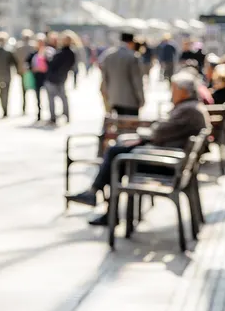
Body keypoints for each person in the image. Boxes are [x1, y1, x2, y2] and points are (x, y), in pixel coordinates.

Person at [66, 71, 211, 225]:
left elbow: (160, 132)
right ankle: (101, 201)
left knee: (117, 155)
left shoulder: (188, 110)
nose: (171, 92)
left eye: (174, 89)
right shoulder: (189, 107)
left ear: (183, 91)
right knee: (119, 151)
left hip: (167, 164)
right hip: (170, 158)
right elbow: (163, 131)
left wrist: (145, 137)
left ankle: (100, 199)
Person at [100, 33, 144, 116]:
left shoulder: (108, 55)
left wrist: (106, 96)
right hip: (130, 100)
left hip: (113, 98)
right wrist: (141, 99)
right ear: (131, 42)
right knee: (129, 127)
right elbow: (137, 81)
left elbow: (105, 79)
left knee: (117, 125)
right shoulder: (133, 56)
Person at [46, 31, 78, 124]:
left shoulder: (61, 53)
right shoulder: (71, 53)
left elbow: (52, 64)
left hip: (53, 78)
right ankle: (66, 116)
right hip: (62, 77)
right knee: (63, 98)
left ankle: (53, 117)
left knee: (52, 98)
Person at [26, 34, 55, 122]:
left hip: (46, 77)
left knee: (50, 97)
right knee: (37, 97)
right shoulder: (33, 54)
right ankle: (39, 114)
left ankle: (52, 115)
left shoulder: (48, 52)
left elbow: (52, 63)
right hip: (37, 77)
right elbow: (27, 64)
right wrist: (33, 68)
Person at [14, 30, 36, 114]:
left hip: (22, 71)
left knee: (23, 91)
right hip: (32, 71)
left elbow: (15, 60)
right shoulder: (33, 46)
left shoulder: (18, 47)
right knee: (34, 89)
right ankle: (36, 107)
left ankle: (24, 108)